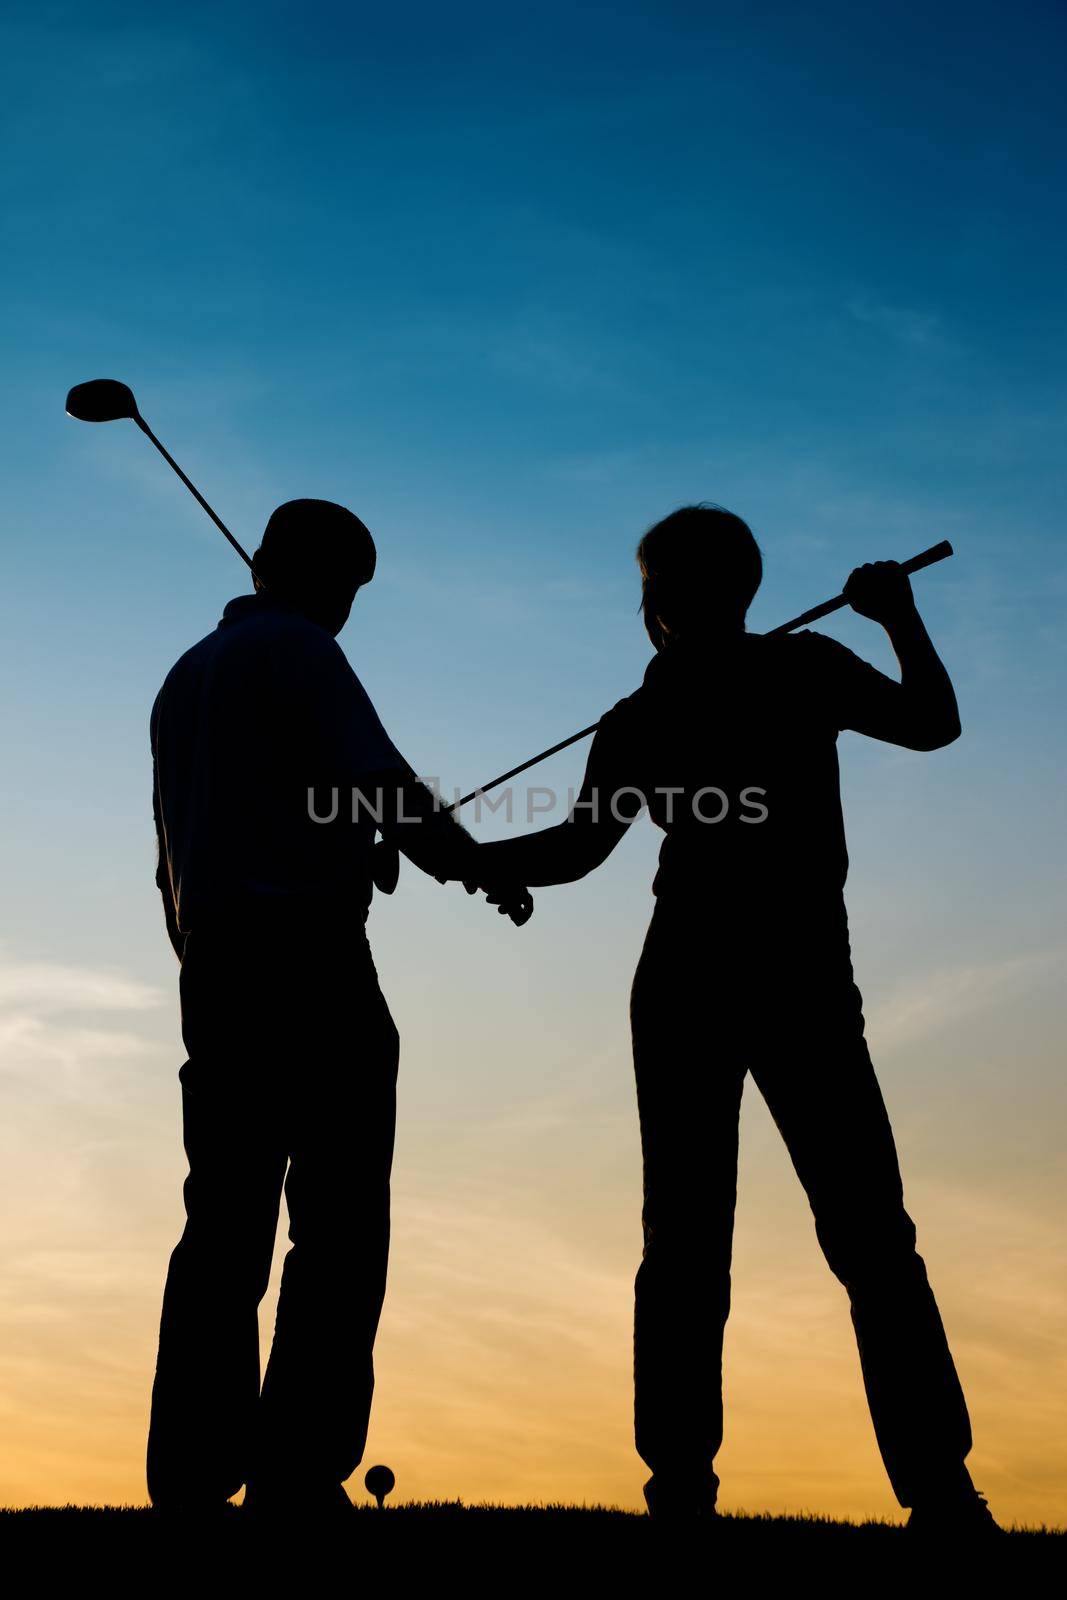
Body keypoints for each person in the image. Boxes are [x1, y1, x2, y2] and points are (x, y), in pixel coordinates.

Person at [477, 504, 998, 1535]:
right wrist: (893, 617)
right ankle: (906, 1489)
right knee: (836, 1237)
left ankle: (703, 1490)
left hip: (721, 975)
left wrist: (473, 855)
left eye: (653, 587)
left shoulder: (717, 689)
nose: (651, 605)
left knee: (721, 1239)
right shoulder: (760, 678)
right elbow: (583, 846)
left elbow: (574, 852)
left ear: (663, 602)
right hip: (758, 973)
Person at [147, 498, 530, 1514]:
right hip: (311, 968)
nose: (349, 609)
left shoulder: (183, 678)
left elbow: (205, 840)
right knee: (338, 1225)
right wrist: (475, 868)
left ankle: (189, 1472)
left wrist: (339, 848)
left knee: (221, 1223)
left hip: (215, 974)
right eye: (351, 590)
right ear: (333, 583)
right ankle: (295, 1471)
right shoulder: (304, 653)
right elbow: (387, 789)